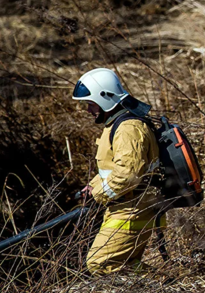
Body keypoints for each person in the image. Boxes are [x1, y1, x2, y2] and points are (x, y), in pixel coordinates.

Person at [72, 68, 164, 274]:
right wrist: (92, 187)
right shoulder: (117, 124)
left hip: (133, 209)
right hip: (125, 207)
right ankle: (165, 283)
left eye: (91, 103)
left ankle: (165, 285)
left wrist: (98, 194)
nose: (88, 110)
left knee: (100, 263)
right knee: (127, 263)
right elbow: (112, 168)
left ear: (104, 98)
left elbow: (128, 175)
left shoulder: (128, 128)